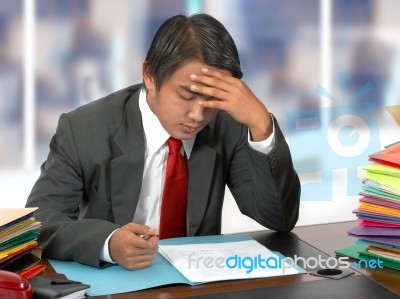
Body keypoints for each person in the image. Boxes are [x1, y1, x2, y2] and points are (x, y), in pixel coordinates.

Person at [26, 13, 300, 270]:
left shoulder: (230, 125)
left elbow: (279, 219)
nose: (198, 115)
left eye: (212, 101)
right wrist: (107, 243)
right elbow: (39, 223)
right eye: (186, 95)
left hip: (200, 285)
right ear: (150, 76)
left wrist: (262, 125)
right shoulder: (84, 128)